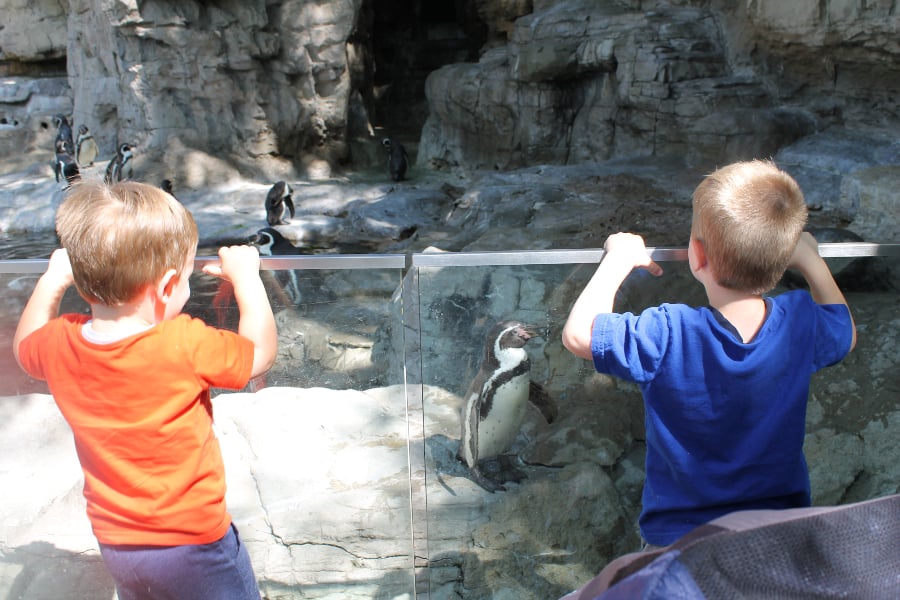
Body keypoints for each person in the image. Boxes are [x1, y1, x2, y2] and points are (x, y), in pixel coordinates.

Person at [561, 159, 856, 549]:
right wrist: (810, 259)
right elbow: (846, 332)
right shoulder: (800, 322)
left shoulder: (669, 332)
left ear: (696, 257)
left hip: (682, 542)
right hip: (777, 536)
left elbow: (578, 335)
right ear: (782, 258)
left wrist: (618, 259)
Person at [13, 180, 277, 599]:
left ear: (80, 281)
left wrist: (51, 280)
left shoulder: (60, 342)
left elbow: (23, 346)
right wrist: (247, 280)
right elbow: (258, 354)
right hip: (195, 544)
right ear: (169, 286)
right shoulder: (182, 343)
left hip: (118, 541)